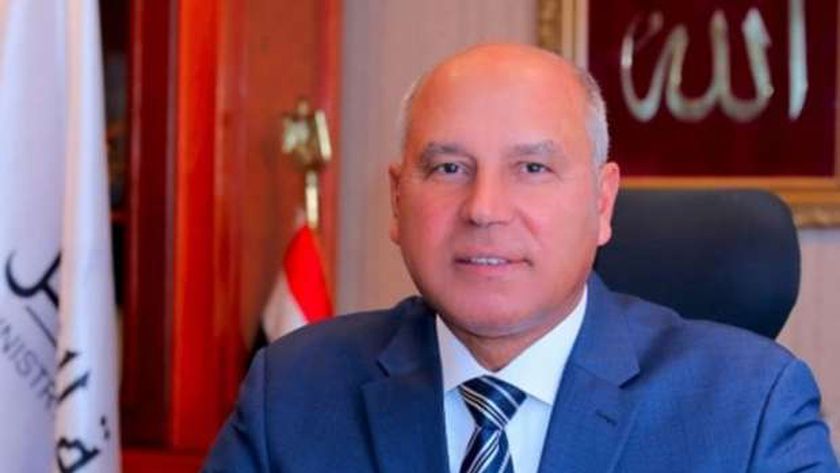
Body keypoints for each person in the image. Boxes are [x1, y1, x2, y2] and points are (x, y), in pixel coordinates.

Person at [202, 44, 839, 472]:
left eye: (532, 168)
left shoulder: (749, 409)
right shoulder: (292, 392)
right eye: (449, 168)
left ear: (601, 201)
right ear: (397, 200)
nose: (484, 208)